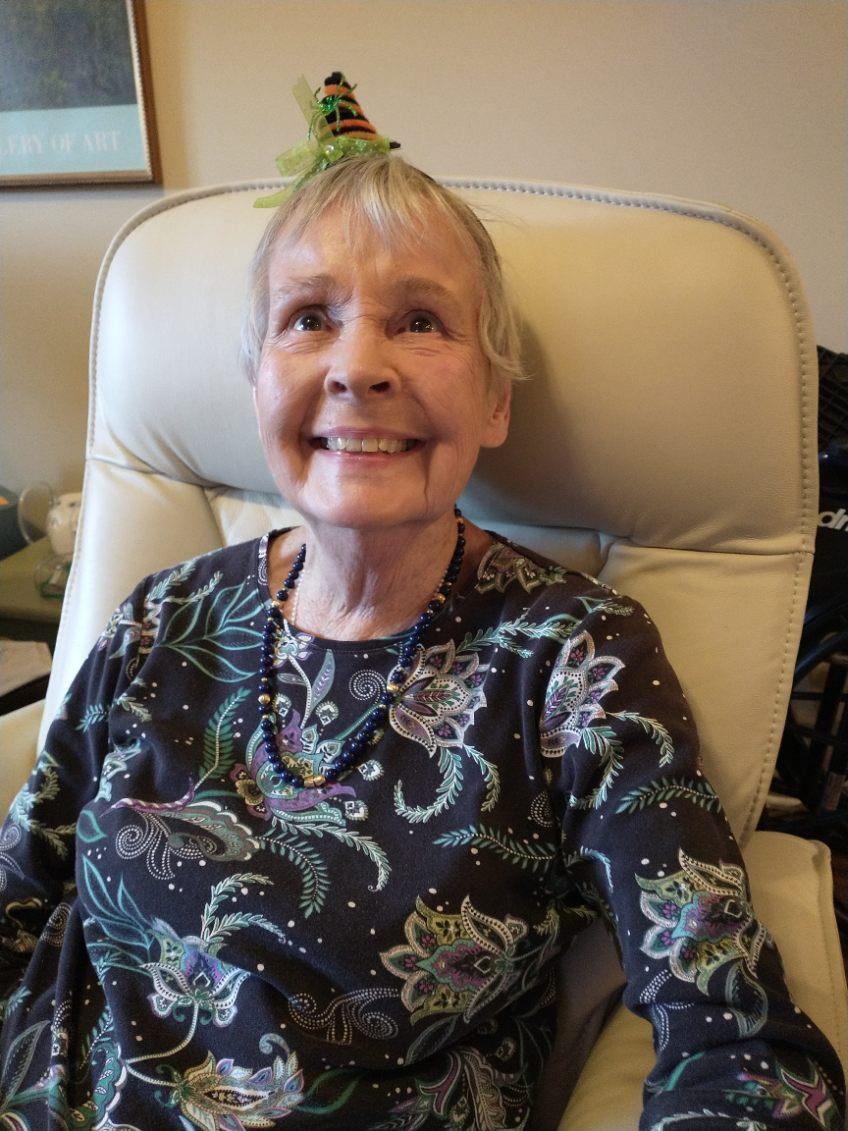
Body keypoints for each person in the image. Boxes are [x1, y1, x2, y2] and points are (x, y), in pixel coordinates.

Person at [0, 73, 844, 1131]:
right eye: (308, 318)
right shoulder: (159, 616)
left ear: (494, 398)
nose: (358, 366)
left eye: (420, 322)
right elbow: (20, 898)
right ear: (258, 383)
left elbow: (730, 1029)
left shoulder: (572, 658)